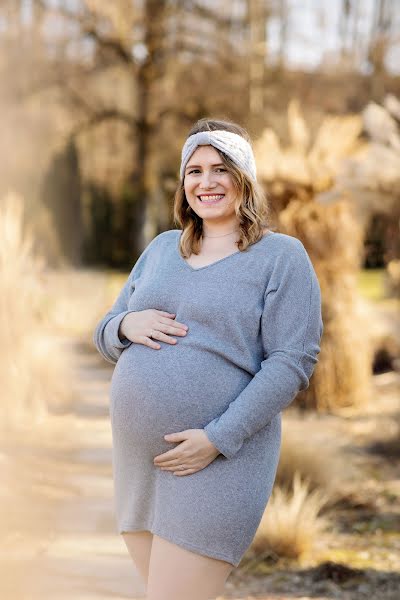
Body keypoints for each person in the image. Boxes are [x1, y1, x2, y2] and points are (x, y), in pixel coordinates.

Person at [93, 117, 324, 600]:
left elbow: (292, 361)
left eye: (221, 169)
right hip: (139, 464)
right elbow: (105, 330)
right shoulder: (160, 249)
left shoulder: (281, 256)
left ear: (245, 179)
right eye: (193, 171)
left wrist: (218, 438)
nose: (206, 182)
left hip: (216, 460)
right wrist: (123, 326)